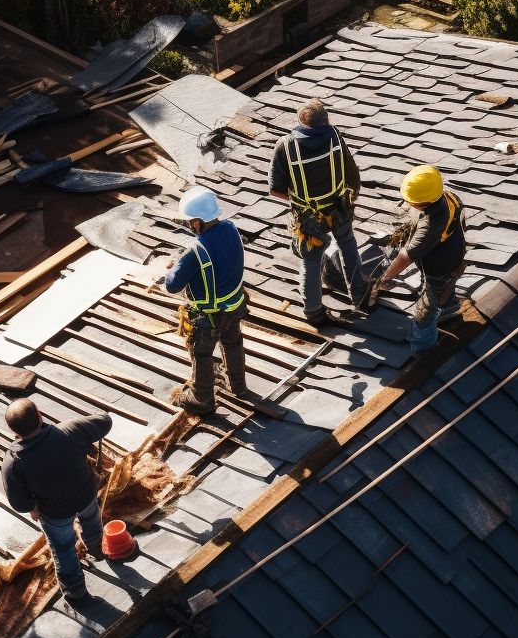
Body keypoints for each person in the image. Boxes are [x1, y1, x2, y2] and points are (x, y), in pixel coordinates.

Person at [269, 98, 369, 325]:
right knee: (348, 246)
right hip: (338, 207)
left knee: (311, 260)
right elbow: (352, 173)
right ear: (325, 120)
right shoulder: (334, 135)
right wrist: (350, 200)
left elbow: (275, 190)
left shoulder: (285, 146)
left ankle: (313, 311)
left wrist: (300, 202)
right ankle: (360, 296)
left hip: (308, 217)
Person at [1, 398, 112, 601]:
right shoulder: (70, 430)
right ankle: (98, 547)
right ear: (40, 415)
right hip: (86, 495)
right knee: (92, 522)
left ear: (13, 431)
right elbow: (104, 422)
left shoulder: (13, 462)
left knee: (63, 549)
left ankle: (76, 591)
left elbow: (18, 503)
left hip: (55, 513)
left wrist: (33, 507)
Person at [164, 186, 249, 415]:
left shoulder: (194, 251)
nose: (190, 226)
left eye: (190, 221)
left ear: (197, 222)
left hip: (210, 315)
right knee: (232, 341)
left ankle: (201, 398)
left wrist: (175, 265)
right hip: (236, 304)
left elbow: (172, 286)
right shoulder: (231, 229)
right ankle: (238, 386)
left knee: (201, 352)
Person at [377, 164, 467, 355]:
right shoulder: (448, 196)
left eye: (411, 201)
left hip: (441, 269)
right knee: (443, 290)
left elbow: (405, 257)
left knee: (423, 313)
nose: (408, 203)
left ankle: (423, 347)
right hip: (452, 258)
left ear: (423, 202)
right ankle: (448, 308)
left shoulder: (432, 224)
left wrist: (384, 278)